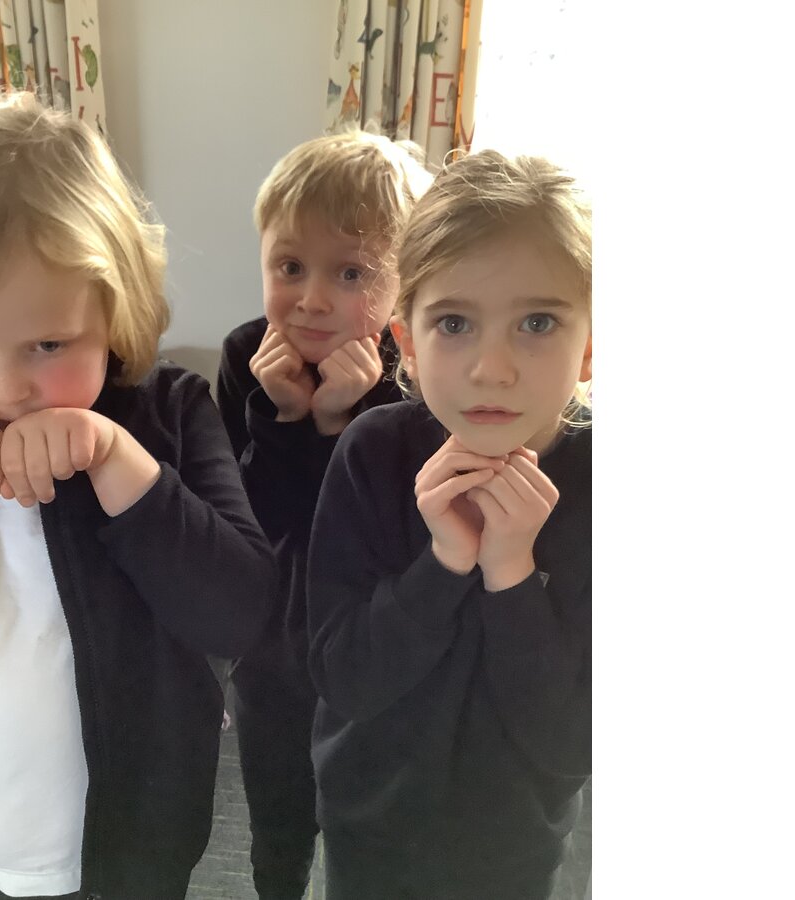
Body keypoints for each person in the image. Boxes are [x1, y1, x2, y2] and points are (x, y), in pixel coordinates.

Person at [0, 94, 276, 900]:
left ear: (115, 311)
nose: (7, 387)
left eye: (48, 344)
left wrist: (119, 464)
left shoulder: (169, 413)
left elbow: (239, 613)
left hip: (126, 857)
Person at [307, 150, 593, 899]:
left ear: (590, 346)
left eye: (537, 322)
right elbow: (343, 676)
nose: (491, 369)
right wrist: (443, 564)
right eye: (455, 323)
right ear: (407, 343)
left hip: (514, 853)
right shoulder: (373, 453)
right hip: (368, 834)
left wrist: (513, 573)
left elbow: (573, 745)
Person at [214, 130, 432, 900]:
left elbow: (394, 539)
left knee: (365, 827)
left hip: (373, 659)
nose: (310, 298)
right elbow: (244, 528)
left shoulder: (416, 377)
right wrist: (284, 422)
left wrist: (345, 423)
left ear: (407, 283)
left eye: (351, 273)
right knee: (277, 825)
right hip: (273, 656)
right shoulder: (247, 357)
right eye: (289, 267)